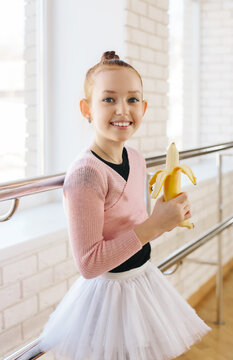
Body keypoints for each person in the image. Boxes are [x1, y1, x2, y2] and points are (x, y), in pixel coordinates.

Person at [37, 51, 212, 360]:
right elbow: (89, 264)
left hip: (141, 281)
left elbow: (135, 227)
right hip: (108, 297)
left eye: (133, 100)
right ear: (86, 109)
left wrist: (165, 217)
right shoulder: (86, 175)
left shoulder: (137, 158)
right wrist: (155, 225)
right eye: (108, 99)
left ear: (144, 107)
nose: (122, 109)